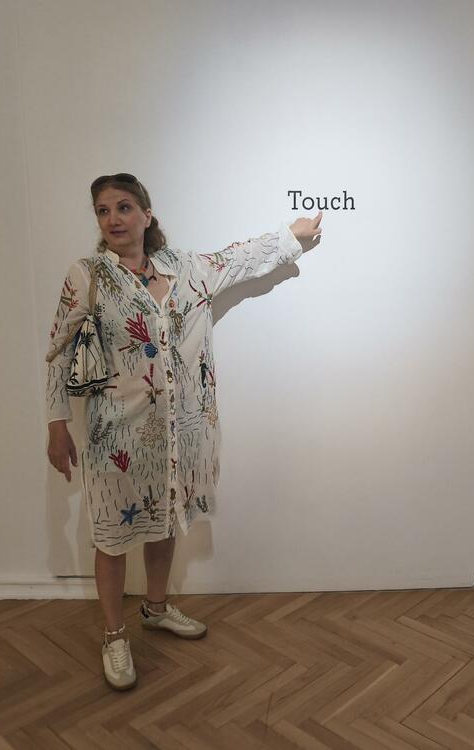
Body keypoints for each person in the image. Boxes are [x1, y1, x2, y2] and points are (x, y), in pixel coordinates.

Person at [45, 173, 323, 690]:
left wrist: (292, 236)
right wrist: (56, 423)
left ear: (146, 214)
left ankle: (155, 608)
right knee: (111, 536)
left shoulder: (186, 268)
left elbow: (239, 258)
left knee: (165, 522)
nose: (113, 219)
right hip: (115, 437)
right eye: (102, 211)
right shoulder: (87, 276)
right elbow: (59, 352)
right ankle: (114, 634)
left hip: (177, 434)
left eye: (123, 207)